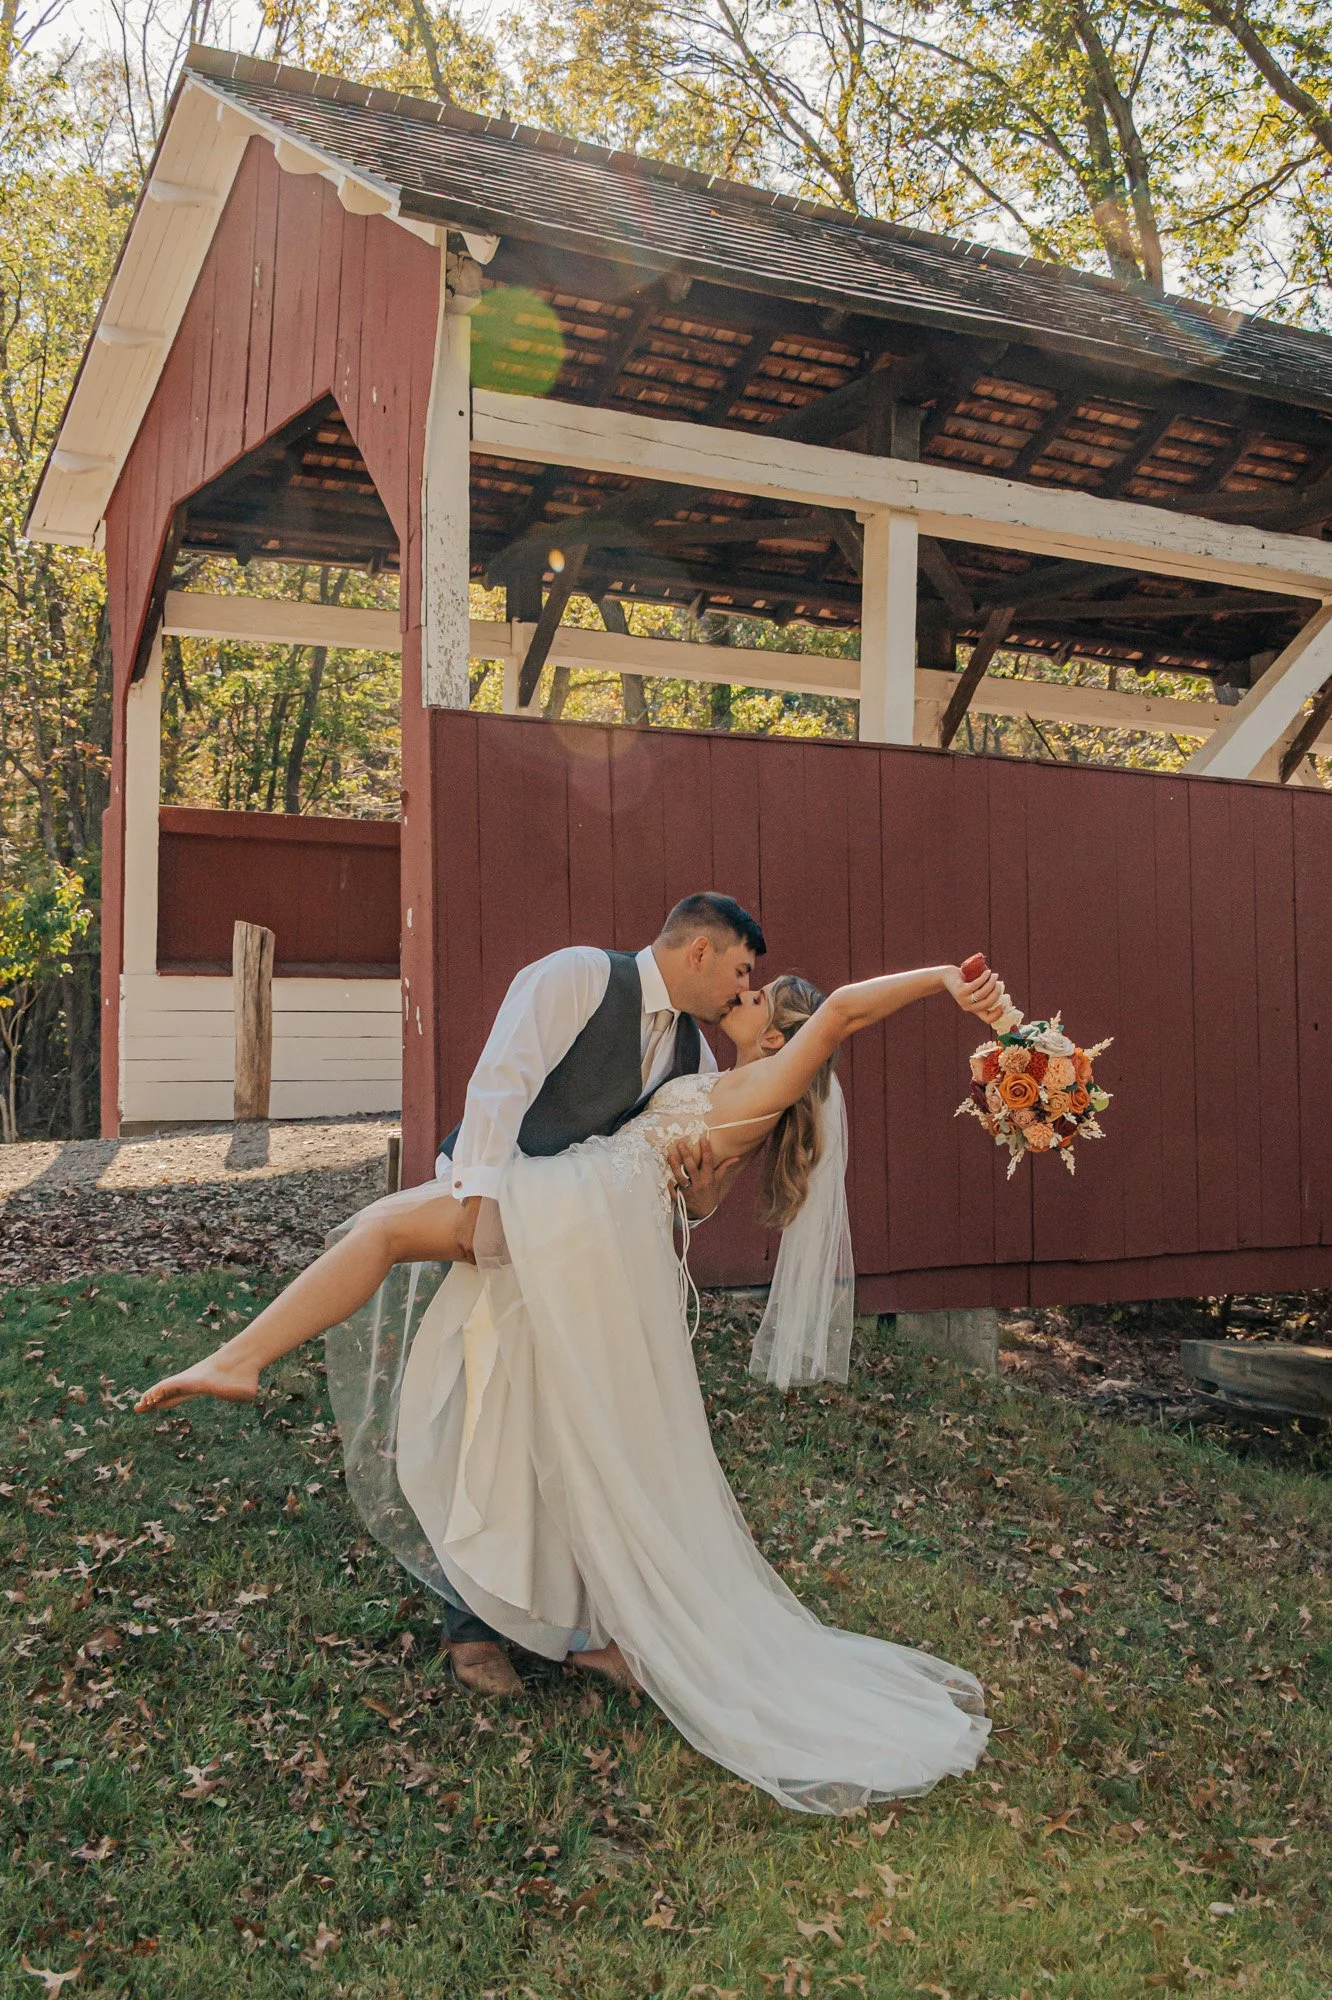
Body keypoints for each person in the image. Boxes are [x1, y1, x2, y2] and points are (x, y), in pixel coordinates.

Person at [138, 943, 1007, 1814]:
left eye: (758, 995)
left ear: (782, 1035)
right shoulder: (721, 1073)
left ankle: (239, 1360)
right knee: (552, 1409)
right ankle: (614, 1635)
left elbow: (847, 1009)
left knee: (382, 1234)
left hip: (585, 1212)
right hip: (593, 1209)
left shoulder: (766, 1083)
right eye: (744, 979)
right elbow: (694, 1194)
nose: (741, 994)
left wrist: (942, 982)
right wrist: (696, 1186)